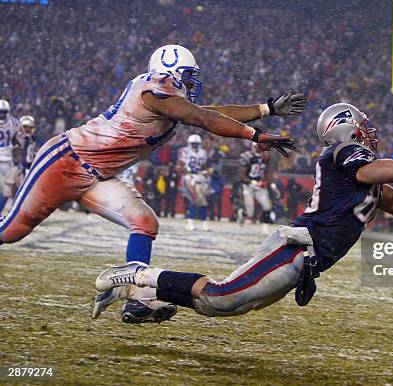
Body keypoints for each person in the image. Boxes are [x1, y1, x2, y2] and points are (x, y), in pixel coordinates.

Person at [0, 44, 303, 324]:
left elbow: (210, 112)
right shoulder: (152, 88)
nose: (191, 82)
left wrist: (266, 109)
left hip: (95, 176)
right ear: (167, 71)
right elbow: (204, 119)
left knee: (144, 221)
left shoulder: (169, 98)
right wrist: (255, 135)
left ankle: (136, 298)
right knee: (10, 231)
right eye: (186, 75)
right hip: (64, 163)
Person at [91, 103, 393, 319]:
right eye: (363, 127)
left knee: (219, 305)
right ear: (348, 130)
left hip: (306, 260)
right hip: (295, 249)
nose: (369, 133)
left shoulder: (363, 175)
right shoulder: (343, 154)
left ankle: (146, 293)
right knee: (221, 295)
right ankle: (136, 275)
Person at [240, 143, 274, 234]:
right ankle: (243, 214)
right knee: (250, 212)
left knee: (267, 206)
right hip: (248, 186)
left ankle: (265, 227)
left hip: (259, 185)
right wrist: (252, 182)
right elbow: (242, 175)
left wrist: (271, 183)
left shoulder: (265, 157)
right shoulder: (247, 156)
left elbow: (267, 172)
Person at [179, 134, 210, 231]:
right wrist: (186, 172)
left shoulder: (203, 152)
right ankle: (190, 222)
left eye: (197, 144)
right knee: (194, 199)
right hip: (189, 176)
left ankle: (203, 222)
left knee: (203, 200)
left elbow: (204, 165)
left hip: (199, 176)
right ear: (189, 143)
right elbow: (180, 165)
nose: (195, 145)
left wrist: (205, 172)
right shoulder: (184, 151)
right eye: (193, 144)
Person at [0, 100, 20, 214]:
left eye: (3, 112)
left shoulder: (14, 123)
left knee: (7, 191)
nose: (1, 115)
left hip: (7, 160)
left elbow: (16, 141)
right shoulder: (14, 122)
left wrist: (17, 156)